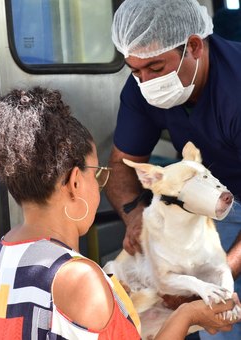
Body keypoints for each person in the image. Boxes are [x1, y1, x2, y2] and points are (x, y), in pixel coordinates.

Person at [0, 86, 239, 339]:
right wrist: (188, 315)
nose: (99, 185)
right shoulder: (81, 279)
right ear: (75, 182)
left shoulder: (7, 249)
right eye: (98, 174)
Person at [105, 0, 241, 339]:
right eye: (135, 71)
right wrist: (137, 218)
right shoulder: (142, 88)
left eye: (155, 67)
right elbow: (121, 166)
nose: (146, 82)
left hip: (228, 200)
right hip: (209, 203)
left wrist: (214, 278)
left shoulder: (235, 90)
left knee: (221, 304)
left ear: (194, 46)